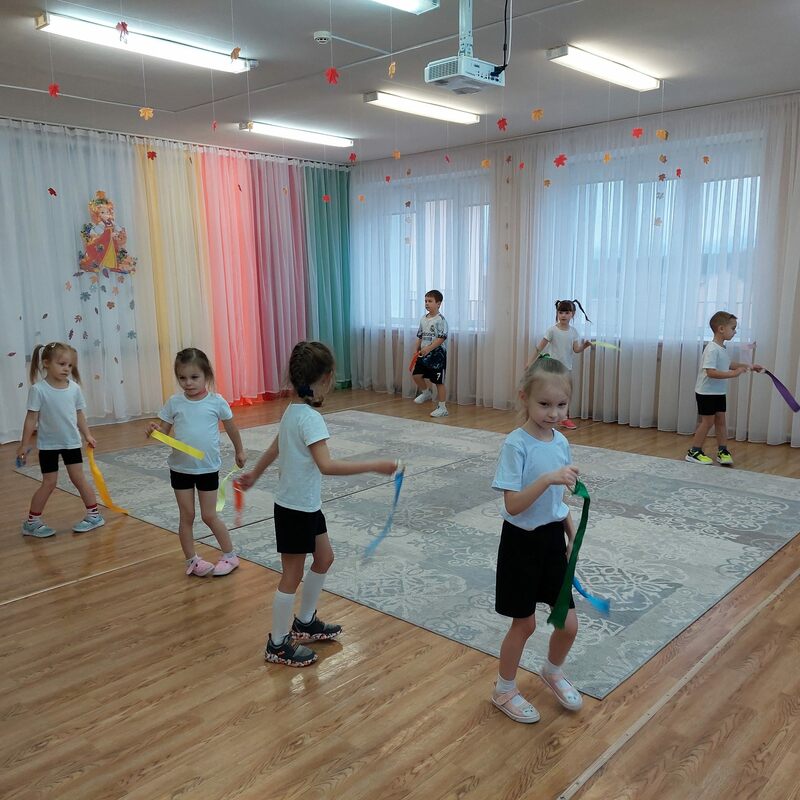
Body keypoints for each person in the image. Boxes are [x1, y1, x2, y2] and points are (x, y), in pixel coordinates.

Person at [239, 341, 397, 667]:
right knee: (292, 574)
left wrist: (255, 473)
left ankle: (306, 622)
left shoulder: (293, 411)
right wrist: (374, 465)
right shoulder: (309, 418)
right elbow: (326, 465)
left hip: (306, 505)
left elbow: (276, 447)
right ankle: (277, 644)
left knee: (324, 558)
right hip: (295, 508)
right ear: (325, 378)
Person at [490, 357, 584, 723]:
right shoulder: (516, 445)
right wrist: (547, 479)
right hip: (521, 544)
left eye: (561, 404)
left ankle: (552, 671)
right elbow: (513, 505)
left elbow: (558, 502)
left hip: (552, 540)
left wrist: (571, 535)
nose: (554, 413)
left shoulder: (561, 442)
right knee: (525, 624)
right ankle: (504, 690)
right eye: (544, 404)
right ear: (524, 398)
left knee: (568, 623)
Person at [146, 348, 246, 576]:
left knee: (209, 515)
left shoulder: (216, 402)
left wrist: (239, 450)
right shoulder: (174, 402)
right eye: (182, 378)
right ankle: (192, 560)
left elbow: (231, 427)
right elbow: (163, 431)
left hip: (207, 469)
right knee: (187, 516)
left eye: (194, 377)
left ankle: (230, 556)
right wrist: (154, 430)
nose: (188, 383)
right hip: (180, 469)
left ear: (206, 375)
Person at [17, 342, 104, 537]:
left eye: (70, 365)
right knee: (49, 482)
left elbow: (79, 413)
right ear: (46, 363)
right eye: (62, 364)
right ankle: (31, 523)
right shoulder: (38, 390)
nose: (67, 369)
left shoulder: (74, 389)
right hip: (48, 445)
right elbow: (31, 418)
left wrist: (87, 435)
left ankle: (94, 516)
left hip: (71, 443)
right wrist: (24, 444)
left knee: (78, 478)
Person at [686, 311, 763, 465]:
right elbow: (711, 372)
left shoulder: (721, 348)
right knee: (707, 422)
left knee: (720, 421)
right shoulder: (712, 349)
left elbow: (728, 364)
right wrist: (733, 374)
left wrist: (749, 366)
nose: (735, 332)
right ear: (721, 329)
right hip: (706, 392)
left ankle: (722, 451)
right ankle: (694, 452)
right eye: (733, 328)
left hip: (718, 392)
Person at [528, 299, 593, 429]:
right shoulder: (552, 330)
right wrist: (530, 362)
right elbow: (539, 347)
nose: (563, 315)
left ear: (572, 314)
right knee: (549, 392)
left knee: (564, 393)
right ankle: (545, 415)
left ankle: (563, 418)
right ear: (557, 313)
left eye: (567, 313)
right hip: (552, 369)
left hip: (566, 369)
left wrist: (585, 346)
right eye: (561, 312)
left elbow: (576, 349)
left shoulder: (573, 332)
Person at [412, 289, 449, 418]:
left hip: (437, 356)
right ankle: (426, 393)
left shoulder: (441, 320)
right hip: (423, 355)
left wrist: (429, 348)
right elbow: (420, 335)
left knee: (439, 382)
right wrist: (417, 348)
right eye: (425, 301)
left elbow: (441, 338)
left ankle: (442, 407)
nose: (427, 303)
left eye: (430, 301)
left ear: (438, 303)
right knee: (416, 375)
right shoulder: (423, 319)